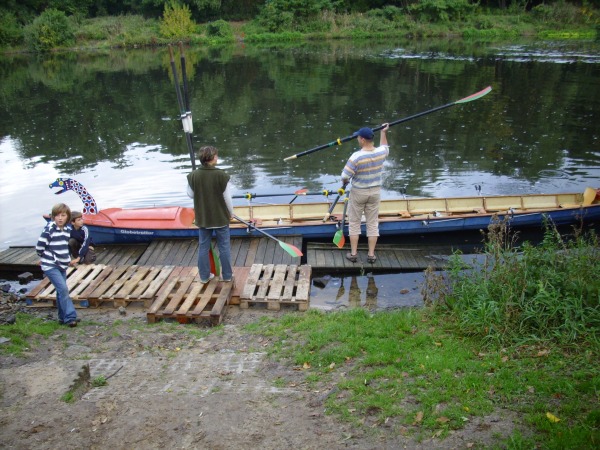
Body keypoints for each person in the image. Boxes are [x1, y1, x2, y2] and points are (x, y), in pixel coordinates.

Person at [341, 123, 390, 264]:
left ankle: (354, 254)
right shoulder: (381, 152)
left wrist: (345, 181)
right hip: (375, 192)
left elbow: (345, 176)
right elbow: (385, 147)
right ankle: (371, 255)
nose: (357, 138)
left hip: (359, 192)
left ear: (362, 139)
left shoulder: (356, 157)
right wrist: (384, 132)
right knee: (372, 223)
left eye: (358, 137)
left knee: (355, 223)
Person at [187, 145, 234, 284]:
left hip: (203, 218)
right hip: (220, 218)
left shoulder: (193, 175)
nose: (217, 158)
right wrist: (231, 213)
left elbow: (190, 194)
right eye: (216, 156)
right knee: (224, 247)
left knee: (203, 246)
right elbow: (227, 199)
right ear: (213, 158)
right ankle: (227, 276)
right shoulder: (221, 175)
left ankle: (204, 277)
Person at [36, 203, 79, 327]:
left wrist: (67, 259)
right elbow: (39, 247)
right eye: (57, 215)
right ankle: (70, 317)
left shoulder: (66, 230)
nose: (60, 218)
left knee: (61, 291)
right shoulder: (50, 228)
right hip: (51, 265)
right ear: (53, 217)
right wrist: (45, 258)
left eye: (63, 215)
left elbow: (64, 246)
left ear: (67, 217)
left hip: (62, 264)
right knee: (63, 289)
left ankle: (62, 318)